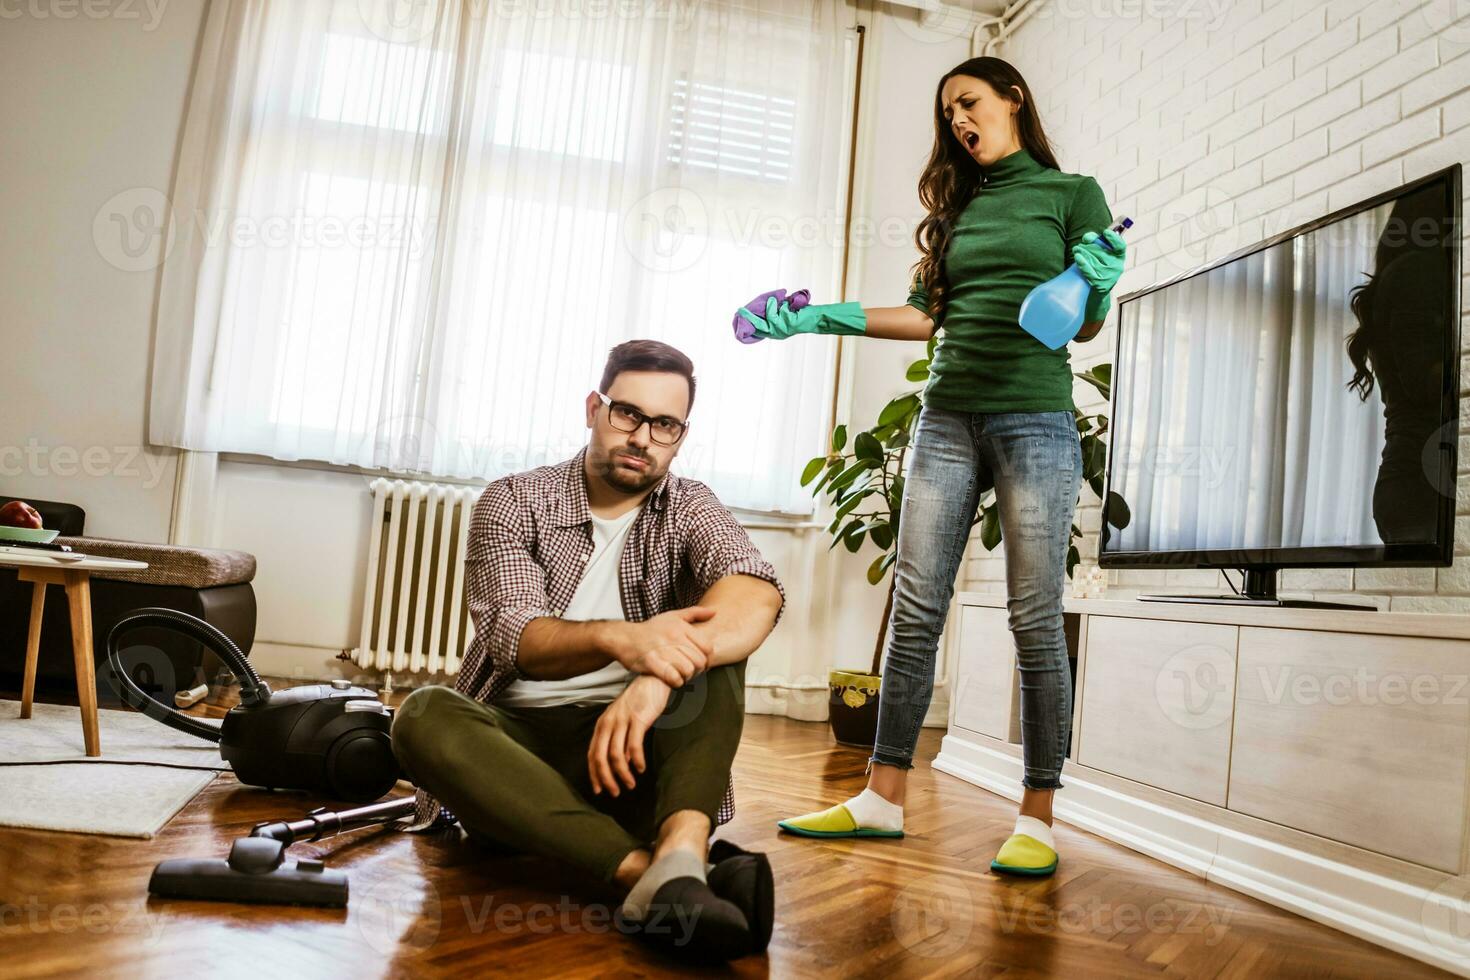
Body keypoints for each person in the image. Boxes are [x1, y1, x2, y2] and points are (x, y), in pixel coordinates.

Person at [736, 56, 1125, 878]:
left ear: (1014, 97)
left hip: (1037, 421)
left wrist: (1095, 284)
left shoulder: (1072, 194)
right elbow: (922, 318)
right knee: (916, 609)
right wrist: (813, 319)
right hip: (947, 417)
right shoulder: (959, 209)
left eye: (969, 103)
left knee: (1032, 615)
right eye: (948, 112)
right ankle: (880, 800)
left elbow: (1080, 328)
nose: (959, 120)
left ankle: (1039, 815)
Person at [391, 340, 786, 960]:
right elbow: (514, 640)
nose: (642, 437)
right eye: (627, 414)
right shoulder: (515, 498)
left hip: (631, 755)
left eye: (664, 424)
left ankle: (681, 852)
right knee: (422, 714)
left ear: (680, 436)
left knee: (717, 651)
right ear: (593, 408)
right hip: (517, 753)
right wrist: (622, 640)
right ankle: (644, 877)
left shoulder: (690, 504)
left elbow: (756, 591)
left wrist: (655, 677)